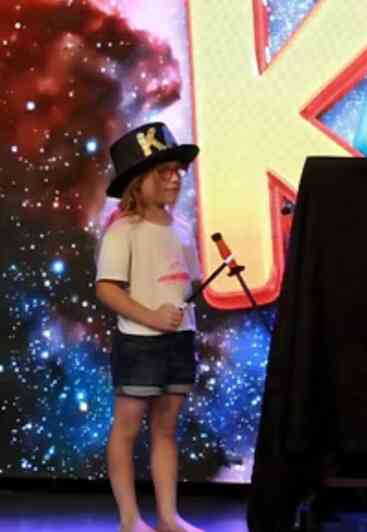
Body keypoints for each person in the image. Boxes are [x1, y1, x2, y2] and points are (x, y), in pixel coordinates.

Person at [95, 122, 204, 532]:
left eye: (178, 169)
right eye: (164, 170)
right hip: (139, 344)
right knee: (126, 427)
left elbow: (187, 280)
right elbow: (107, 288)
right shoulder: (124, 230)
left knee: (166, 428)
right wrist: (152, 316)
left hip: (179, 342)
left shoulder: (181, 228)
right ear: (139, 181)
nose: (175, 177)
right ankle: (129, 519)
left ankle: (168, 516)